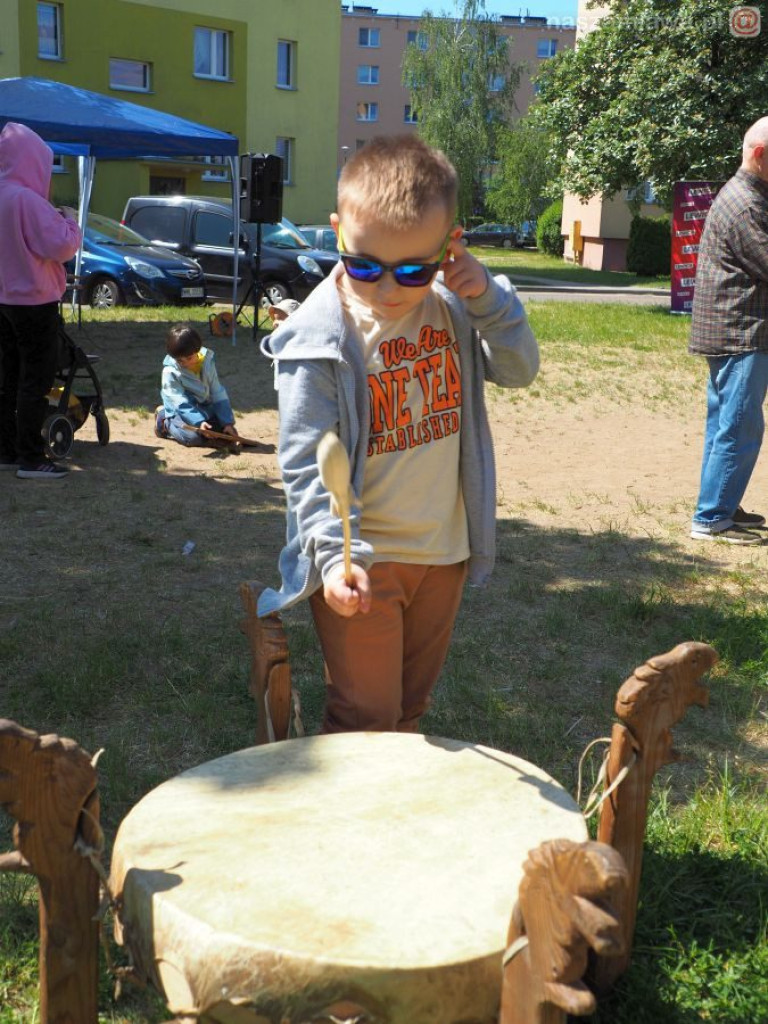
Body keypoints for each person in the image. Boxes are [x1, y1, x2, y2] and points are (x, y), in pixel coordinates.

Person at [258, 134, 539, 733]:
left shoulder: (455, 305)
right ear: (337, 231)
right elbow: (306, 461)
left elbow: (519, 369)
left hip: (444, 554)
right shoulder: (317, 338)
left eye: (413, 268)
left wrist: (489, 298)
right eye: (364, 265)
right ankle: (345, 827)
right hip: (364, 558)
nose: (387, 290)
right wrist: (334, 560)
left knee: (409, 712)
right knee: (366, 719)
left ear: (449, 246)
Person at [689, 118, 768, 545]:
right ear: (759, 154)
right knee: (739, 425)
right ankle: (712, 516)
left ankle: (722, 502)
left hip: (736, 328)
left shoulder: (752, 196)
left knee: (728, 424)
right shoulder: (746, 204)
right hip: (742, 330)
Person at [0, 122, 81, 480]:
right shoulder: (26, 200)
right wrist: (71, 222)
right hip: (33, 302)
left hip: (3, 301)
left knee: (8, 377)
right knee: (35, 380)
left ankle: (6, 450)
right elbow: (61, 247)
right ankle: (32, 458)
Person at [155, 324, 237, 446]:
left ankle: (211, 424)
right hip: (179, 410)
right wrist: (199, 423)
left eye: (189, 358)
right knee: (193, 438)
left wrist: (227, 423)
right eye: (179, 360)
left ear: (197, 350)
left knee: (223, 433)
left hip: (204, 408)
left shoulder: (208, 361)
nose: (185, 363)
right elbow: (181, 403)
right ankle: (164, 421)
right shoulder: (170, 372)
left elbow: (217, 392)